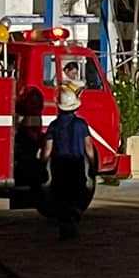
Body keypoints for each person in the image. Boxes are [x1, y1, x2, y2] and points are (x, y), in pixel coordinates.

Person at [42, 78, 90, 240]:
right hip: (76, 165)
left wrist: (41, 166)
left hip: (59, 166)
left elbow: (47, 150)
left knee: (61, 197)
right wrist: (94, 167)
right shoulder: (81, 125)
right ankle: (74, 220)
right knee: (76, 195)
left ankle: (65, 227)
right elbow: (89, 149)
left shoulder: (53, 126)